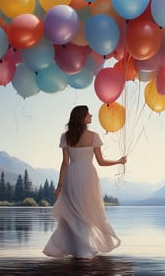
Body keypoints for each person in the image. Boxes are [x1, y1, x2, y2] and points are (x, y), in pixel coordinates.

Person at [43, 105, 127, 259]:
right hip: (88, 175)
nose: (91, 116)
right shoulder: (94, 136)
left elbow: (65, 163)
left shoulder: (65, 136)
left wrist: (60, 185)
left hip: (72, 176)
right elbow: (101, 162)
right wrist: (119, 161)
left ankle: (78, 249)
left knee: (74, 212)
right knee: (87, 210)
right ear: (82, 118)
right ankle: (85, 249)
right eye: (88, 114)